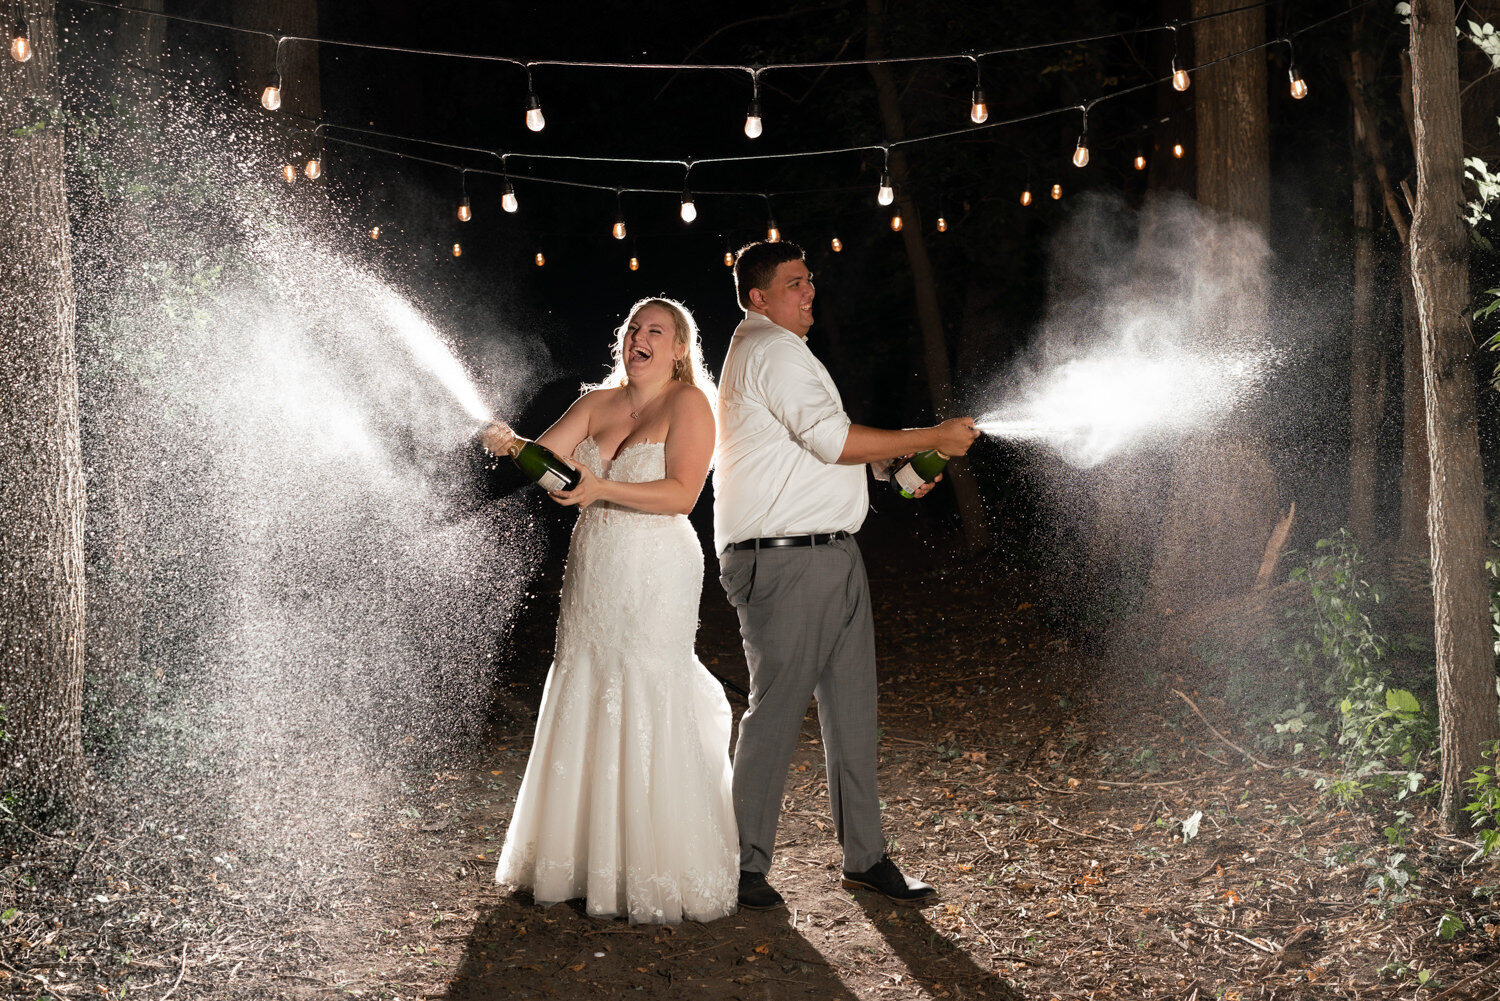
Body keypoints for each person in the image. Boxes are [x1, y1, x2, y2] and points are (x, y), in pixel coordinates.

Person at [714, 241, 979, 910]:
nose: (809, 292)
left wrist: (897, 466)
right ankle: (742, 865)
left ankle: (865, 858)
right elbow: (833, 441)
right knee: (775, 713)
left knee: (854, 713)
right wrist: (928, 435)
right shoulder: (768, 348)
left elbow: (823, 451)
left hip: (830, 554)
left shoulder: (789, 354)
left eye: (810, 281)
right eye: (794, 283)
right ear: (759, 297)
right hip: (784, 560)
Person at [485, 297, 736, 924]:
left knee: (646, 684)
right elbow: (550, 468)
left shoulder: (690, 405)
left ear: (680, 348)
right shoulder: (597, 402)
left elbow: (681, 493)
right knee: (586, 679)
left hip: (656, 566)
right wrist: (512, 446)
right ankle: (580, 860)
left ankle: (653, 864)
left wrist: (601, 487)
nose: (639, 338)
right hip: (595, 565)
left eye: (656, 330)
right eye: (632, 329)